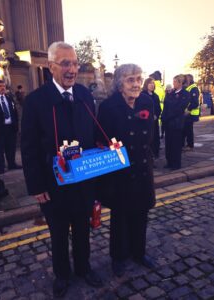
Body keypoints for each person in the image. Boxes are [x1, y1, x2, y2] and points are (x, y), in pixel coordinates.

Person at [21, 41, 102, 298]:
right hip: (52, 183)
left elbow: (92, 135)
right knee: (58, 232)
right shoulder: (36, 101)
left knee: (82, 228)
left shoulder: (84, 94)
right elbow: (29, 147)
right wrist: (36, 186)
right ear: (50, 66)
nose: (72, 69)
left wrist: (105, 152)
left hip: (83, 181)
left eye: (75, 63)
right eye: (65, 63)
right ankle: (62, 275)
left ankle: (83, 268)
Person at [97, 64, 156, 277]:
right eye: (131, 79)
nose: (137, 84)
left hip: (141, 166)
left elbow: (150, 135)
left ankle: (138, 253)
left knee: (141, 213)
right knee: (120, 217)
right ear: (120, 83)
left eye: (139, 79)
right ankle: (118, 257)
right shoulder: (108, 107)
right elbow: (101, 138)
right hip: (119, 172)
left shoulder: (146, 101)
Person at [0, 79, 21, 174]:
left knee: (11, 147)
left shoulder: (9, 97)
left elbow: (14, 111)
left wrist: (16, 125)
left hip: (10, 127)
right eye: (0, 86)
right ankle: (0, 167)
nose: (2, 88)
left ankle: (12, 164)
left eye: (3, 86)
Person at [161, 75, 190, 170]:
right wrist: (164, 118)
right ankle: (169, 162)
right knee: (168, 144)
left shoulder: (185, 94)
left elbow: (179, 108)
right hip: (168, 123)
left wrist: (168, 116)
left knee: (176, 145)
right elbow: (166, 106)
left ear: (180, 83)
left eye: (175, 82)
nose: (173, 84)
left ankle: (176, 163)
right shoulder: (171, 93)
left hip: (177, 123)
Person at [142, 77, 161, 158]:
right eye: (150, 83)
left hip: (154, 121)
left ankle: (155, 154)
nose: (152, 85)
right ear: (146, 85)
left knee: (155, 138)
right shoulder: (142, 95)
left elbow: (158, 108)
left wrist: (156, 115)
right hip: (146, 121)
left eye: (153, 83)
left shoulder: (155, 96)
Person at [182, 74, 200, 151]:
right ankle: (188, 144)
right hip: (188, 113)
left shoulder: (193, 88)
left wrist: (188, 110)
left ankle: (190, 145)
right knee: (186, 129)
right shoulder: (188, 88)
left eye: (186, 79)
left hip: (190, 113)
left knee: (188, 130)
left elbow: (195, 102)